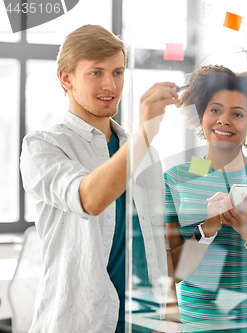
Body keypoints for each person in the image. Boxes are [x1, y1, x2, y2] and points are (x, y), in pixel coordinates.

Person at [20, 25, 178, 332]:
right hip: (81, 322)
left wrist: (171, 318)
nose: (110, 84)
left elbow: (157, 243)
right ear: (66, 78)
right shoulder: (43, 146)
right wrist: (144, 134)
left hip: (143, 323)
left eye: (118, 72)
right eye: (96, 73)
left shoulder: (148, 155)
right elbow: (88, 199)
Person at [165, 65, 247, 332]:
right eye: (215, 110)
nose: (223, 120)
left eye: (237, 114)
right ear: (201, 114)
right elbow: (173, 273)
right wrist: (208, 227)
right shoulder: (176, 179)